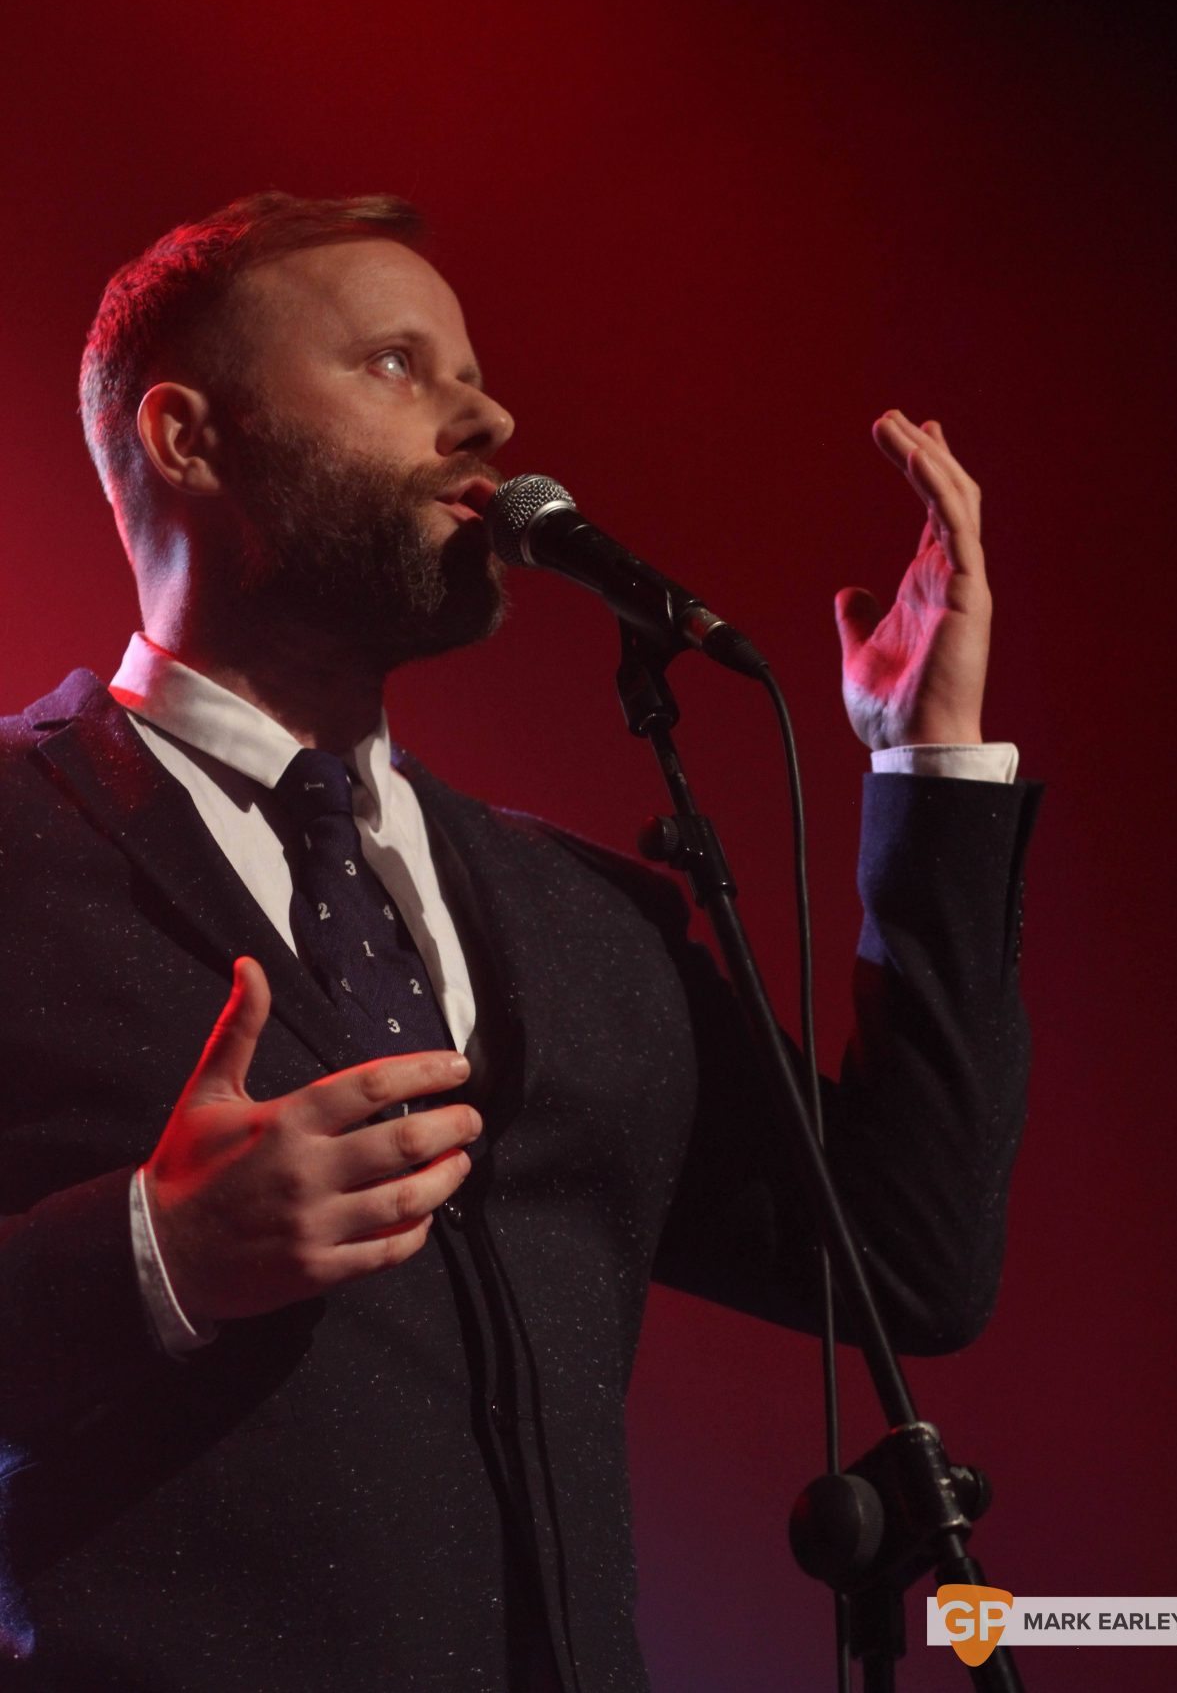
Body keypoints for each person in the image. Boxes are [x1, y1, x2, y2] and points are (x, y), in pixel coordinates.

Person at [0, 193, 1039, 1692]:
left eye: (471, 372)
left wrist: (926, 766)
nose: (487, 414)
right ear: (187, 439)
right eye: (397, 365)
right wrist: (151, 1253)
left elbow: (908, 1261)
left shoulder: (580, 918)